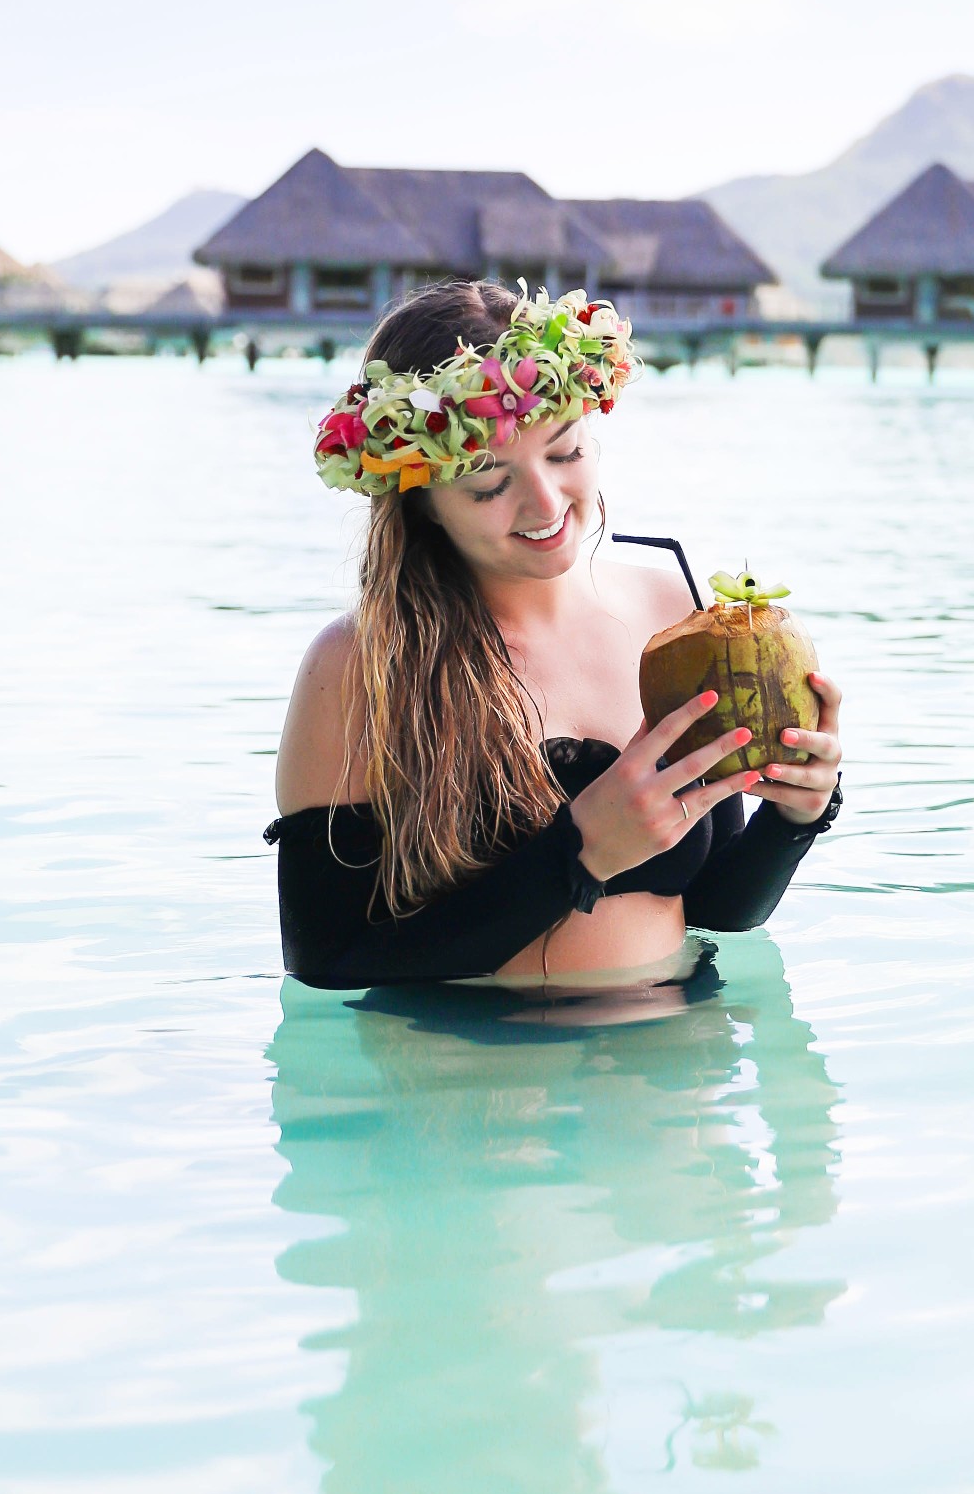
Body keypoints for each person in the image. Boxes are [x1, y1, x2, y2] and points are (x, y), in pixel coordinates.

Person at [268, 277, 844, 998]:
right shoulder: (360, 665)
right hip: (477, 1086)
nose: (544, 503)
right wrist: (579, 853)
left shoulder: (670, 609)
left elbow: (717, 911)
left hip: (674, 1076)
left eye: (565, 453)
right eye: (486, 483)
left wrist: (795, 814)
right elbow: (325, 957)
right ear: (421, 498)